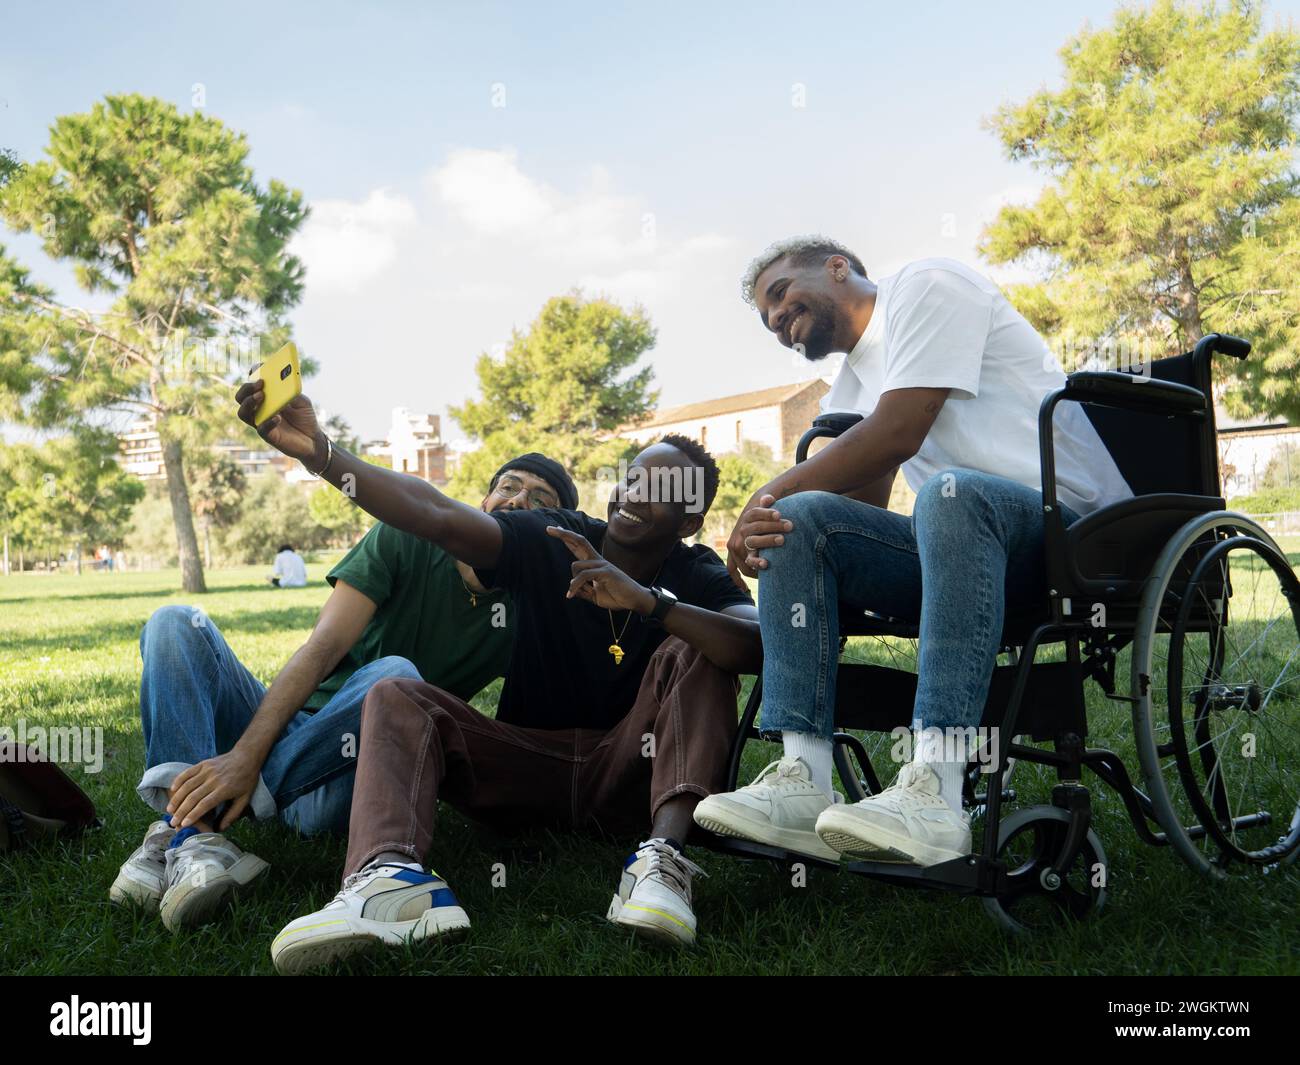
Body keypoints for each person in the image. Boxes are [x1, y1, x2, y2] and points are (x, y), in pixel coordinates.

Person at [232, 380, 760, 972]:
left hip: (628, 776)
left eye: (660, 489)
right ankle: (388, 878)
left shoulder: (696, 571)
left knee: (698, 647)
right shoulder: (559, 536)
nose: (634, 492)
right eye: (631, 477)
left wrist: (651, 603)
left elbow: (757, 643)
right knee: (397, 691)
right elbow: (438, 515)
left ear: (690, 520)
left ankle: (661, 864)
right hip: (525, 766)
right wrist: (323, 456)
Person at [693, 238, 1131, 866]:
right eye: (768, 321)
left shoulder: (928, 286)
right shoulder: (848, 386)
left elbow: (900, 429)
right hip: (961, 548)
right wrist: (779, 531)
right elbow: (858, 506)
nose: (778, 321)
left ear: (838, 268)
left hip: (1066, 529)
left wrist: (763, 492)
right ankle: (801, 776)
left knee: (949, 492)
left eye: (781, 295)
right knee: (797, 520)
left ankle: (936, 791)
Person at [110, 452, 577, 934]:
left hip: (354, 778)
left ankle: (192, 827)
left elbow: (520, 726)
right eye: (508, 486)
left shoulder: (530, 611)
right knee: (175, 624)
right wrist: (247, 752)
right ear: (484, 499)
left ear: (548, 535)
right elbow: (324, 646)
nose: (518, 499)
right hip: (295, 726)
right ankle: (189, 838)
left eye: (540, 500)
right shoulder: (409, 535)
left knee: (395, 679)